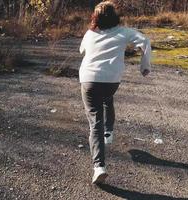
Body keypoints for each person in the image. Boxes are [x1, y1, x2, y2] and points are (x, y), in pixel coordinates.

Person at [79, 1, 151, 184]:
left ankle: (99, 167)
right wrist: (144, 66)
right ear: (115, 16)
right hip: (111, 80)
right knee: (107, 98)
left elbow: (82, 50)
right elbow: (145, 41)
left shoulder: (90, 33)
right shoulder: (124, 32)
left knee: (95, 120)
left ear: (95, 17)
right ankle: (109, 132)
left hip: (89, 80)